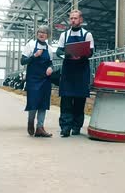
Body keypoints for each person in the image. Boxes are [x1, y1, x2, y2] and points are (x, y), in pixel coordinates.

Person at [56, 9, 94, 137]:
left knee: (79, 99)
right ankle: (65, 127)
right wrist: (67, 54)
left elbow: (91, 52)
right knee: (66, 99)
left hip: (81, 70)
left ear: (81, 20)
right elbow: (58, 51)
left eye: (75, 18)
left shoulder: (87, 35)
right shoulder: (64, 35)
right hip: (68, 70)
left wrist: (82, 55)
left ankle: (76, 126)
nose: (73, 20)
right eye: (71, 18)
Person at [21, 25, 55, 137]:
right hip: (33, 79)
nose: (41, 34)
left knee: (43, 103)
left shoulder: (49, 49)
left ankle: (40, 127)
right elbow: (23, 61)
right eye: (39, 32)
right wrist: (34, 56)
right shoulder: (30, 45)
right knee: (33, 102)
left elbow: (50, 63)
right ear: (37, 33)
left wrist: (51, 68)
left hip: (45, 79)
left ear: (48, 36)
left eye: (44, 32)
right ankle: (30, 122)